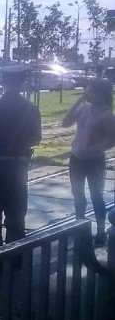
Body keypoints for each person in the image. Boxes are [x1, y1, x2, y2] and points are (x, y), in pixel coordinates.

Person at [0, 65, 42, 250]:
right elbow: (36, 139)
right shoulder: (31, 109)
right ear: (22, 83)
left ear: (3, 83)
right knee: (16, 214)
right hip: (18, 168)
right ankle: (15, 258)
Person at [62, 78, 115, 246]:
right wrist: (77, 101)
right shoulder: (84, 109)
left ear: (101, 94)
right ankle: (80, 227)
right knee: (78, 194)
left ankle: (100, 232)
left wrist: (93, 149)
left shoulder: (107, 115)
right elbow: (65, 123)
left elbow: (111, 140)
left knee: (96, 194)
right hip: (76, 158)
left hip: (94, 161)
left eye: (91, 90)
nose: (88, 93)